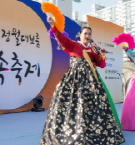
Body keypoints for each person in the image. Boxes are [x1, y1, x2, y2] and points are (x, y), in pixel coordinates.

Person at [40, 16, 125, 145]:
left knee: (94, 104)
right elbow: (60, 38)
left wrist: (99, 53)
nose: (88, 35)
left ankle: (94, 133)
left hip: (90, 80)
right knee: (71, 104)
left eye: (89, 34)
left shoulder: (92, 49)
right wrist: (53, 25)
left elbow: (100, 64)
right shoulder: (72, 45)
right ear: (80, 35)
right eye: (85, 33)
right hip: (74, 79)